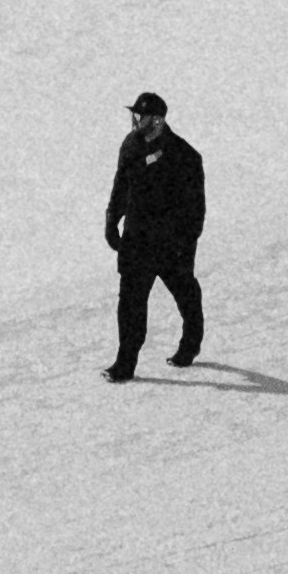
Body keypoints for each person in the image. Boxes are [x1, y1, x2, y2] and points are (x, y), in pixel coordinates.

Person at [105, 88, 205, 381]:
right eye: (135, 114)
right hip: (136, 241)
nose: (136, 121)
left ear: (159, 121)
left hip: (170, 244)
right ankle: (125, 365)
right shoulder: (131, 145)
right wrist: (112, 220)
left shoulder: (184, 156)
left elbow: (196, 209)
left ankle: (191, 343)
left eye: (143, 116)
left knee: (185, 292)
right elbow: (121, 184)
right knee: (130, 303)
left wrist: (185, 244)